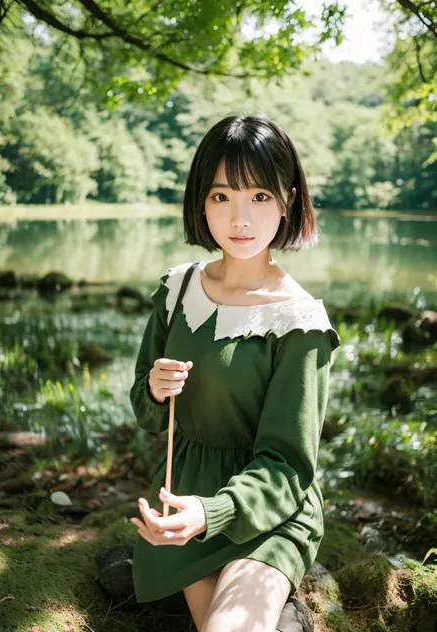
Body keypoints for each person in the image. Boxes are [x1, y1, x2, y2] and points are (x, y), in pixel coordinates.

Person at [129, 113, 341, 632]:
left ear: (288, 200)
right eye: (221, 197)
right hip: (182, 498)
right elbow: (144, 411)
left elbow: (288, 465)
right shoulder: (177, 290)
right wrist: (155, 390)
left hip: (270, 511)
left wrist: (210, 514)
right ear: (200, 201)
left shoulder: (300, 322)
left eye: (260, 198)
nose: (239, 220)